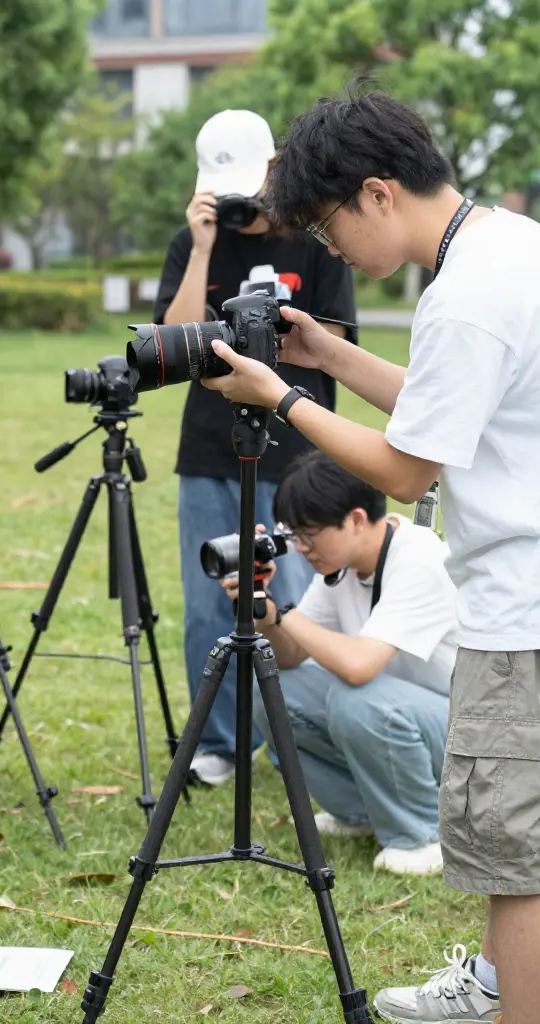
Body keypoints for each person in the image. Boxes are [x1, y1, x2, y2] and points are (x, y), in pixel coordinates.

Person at [201, 84, 540, 1024]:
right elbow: (446, 403)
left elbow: (404, 468)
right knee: (516, 837)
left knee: (515, 855)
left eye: (327, 225)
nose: (330, 249)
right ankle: (495, 983)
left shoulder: (462, 296)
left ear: (378, 193)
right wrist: (328, 355)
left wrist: (280, 396)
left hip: (519, 606)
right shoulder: (509, 244)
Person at [153, 108, 357, 786]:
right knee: (209, 602)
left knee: (292, 598)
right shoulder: (194, 242)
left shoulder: (316, 238)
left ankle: (298, 734)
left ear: (275, 168)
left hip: (296, 449)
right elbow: (172, 346)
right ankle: (218, 742)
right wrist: (202, 248)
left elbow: (334, 343)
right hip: (210, 450)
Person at [221, 451, 454, 876]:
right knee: (273, 688)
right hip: (408, 716)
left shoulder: (420, 559)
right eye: (294, 535)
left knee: (357, 699)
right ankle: (359, 812)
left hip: (468, 737)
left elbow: (358, 667)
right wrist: (265, 613)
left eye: (309, 535)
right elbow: (291, 657)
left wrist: (284, 613)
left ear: (356, 519)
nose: (301, 549)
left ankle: (423, 836)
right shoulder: (344, 564)